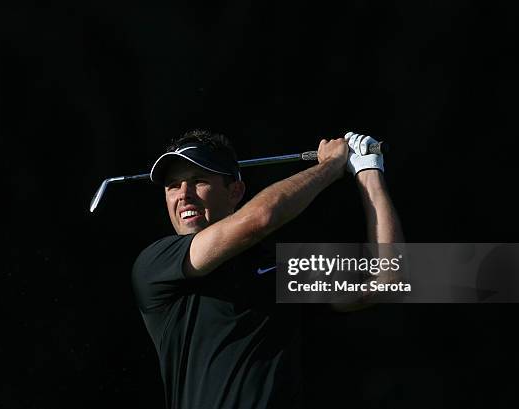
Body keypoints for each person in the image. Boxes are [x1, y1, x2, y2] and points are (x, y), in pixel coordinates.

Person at [131, 129, 404, 409]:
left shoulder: (277, 267)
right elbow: (261, 218)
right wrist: (330, 167)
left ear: (235, 191)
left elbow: (387, 280)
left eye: (198, 181)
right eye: (173, 186)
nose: (184, 195)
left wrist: (369, 172)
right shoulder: (157, 264)